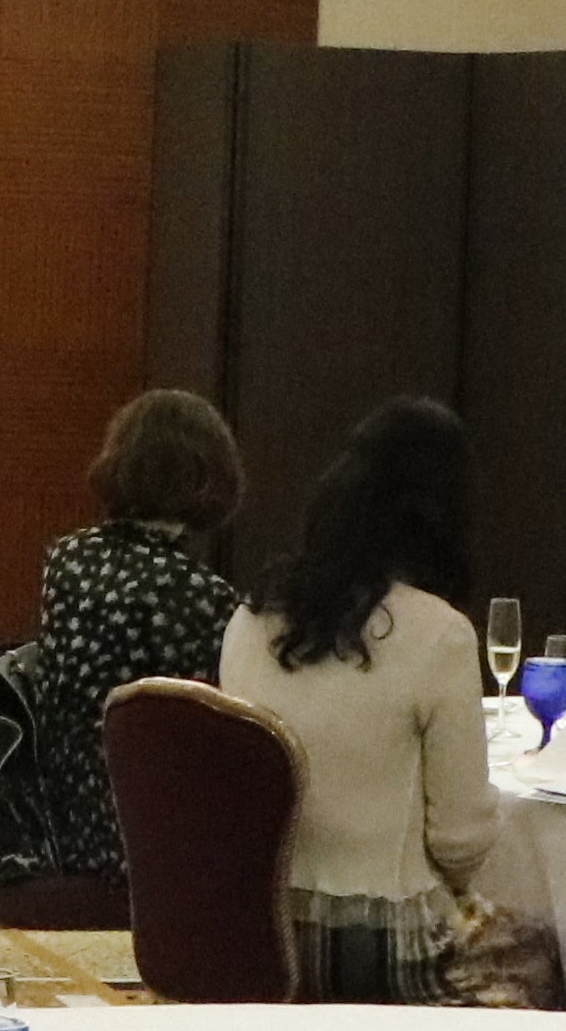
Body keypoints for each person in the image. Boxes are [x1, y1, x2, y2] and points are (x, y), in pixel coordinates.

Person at [218, 397, 529, 1004]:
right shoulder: (438, 633)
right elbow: (460, 842)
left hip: (258, 938)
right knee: (540, 953)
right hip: (384, 952)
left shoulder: (248, 621)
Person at [0, 389, 245, 881]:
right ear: (208, 474)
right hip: (136, 835)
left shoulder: (66, 558)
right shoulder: (196, 593)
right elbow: (211, 728)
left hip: (54, 816)